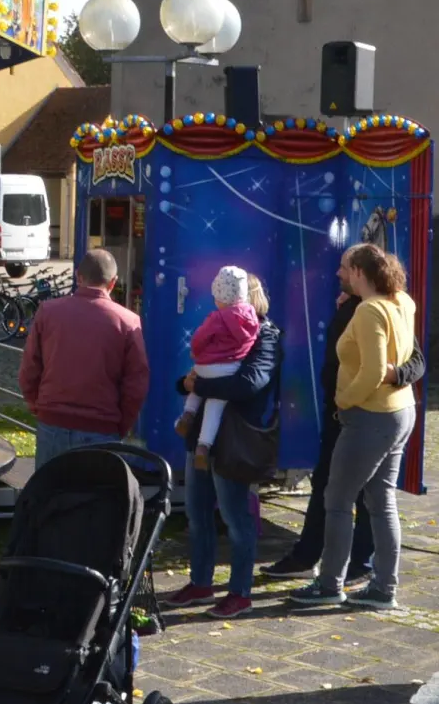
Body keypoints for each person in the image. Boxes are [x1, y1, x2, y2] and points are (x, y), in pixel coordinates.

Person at [261, 248, 425, 586]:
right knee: (359, 493)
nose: (338, 273)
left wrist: (346, 400)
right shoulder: (374, 305)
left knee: (343, 498)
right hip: (379, 412)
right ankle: (372, 581)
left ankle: (339, 578)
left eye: (344, 268)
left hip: (364, 412)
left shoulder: (375, 308)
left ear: (359, 272)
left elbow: (402, 363)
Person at [164, 275, 283, 619]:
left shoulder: (267, 336)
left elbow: (250, 383)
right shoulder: (223, 326)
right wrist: (186, 382)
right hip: (201, 437)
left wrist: (199, 382)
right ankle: (200, 582)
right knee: (197, 515)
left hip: (234, 440)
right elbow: (199, 368)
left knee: (235, 517)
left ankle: (239, 591)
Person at [18, 248, 150, 464]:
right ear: (113, 282)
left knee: (50, 495)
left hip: (52, 423)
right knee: (94, 497)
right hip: (102, 429)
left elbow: (29, 368)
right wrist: (120, 424)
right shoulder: (128, 322)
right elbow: (136, 384)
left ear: (78, 276)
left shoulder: (48, 312)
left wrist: (38, 405)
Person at [174, 266, 259, 470]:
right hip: (231, 369)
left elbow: (199, 339)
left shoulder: (217, 317)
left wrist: (197, 352)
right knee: (215, 406)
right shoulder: (252, 318)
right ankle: (204, 446)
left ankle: (187, 414)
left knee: (198, 383)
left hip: (207, 366)